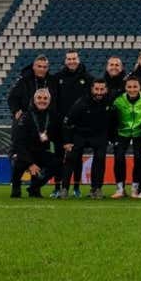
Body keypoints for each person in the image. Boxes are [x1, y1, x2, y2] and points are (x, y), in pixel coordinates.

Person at [62, 78, 113, 199]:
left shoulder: (110, 102)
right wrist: (67, 142)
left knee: (100, 158)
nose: (99, 92)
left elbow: (113, 122)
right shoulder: (81, 102)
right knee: (71, 158)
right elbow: (67, 123)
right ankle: (64, 188)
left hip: (99, 135)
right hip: (80, 134)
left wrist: (110, 137)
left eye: (102, 89)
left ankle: (96, 189)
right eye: (96, 89)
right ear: (92, 89)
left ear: (106, 90)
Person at [52, 50, 91, 197]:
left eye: (74, 58)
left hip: (78, 127)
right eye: (69, 59)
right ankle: (57, 187)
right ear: (65, 61)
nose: (71, 61)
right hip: (61, 126)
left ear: (78, 60)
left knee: (77, 158)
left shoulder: (88, 78)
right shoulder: (57, 78)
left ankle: (76, 188)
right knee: (58, 157)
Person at [9, 88, 61, 198]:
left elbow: (58, 137)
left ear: (49, 101)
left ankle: (34, 188)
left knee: (57, 164)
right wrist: (30, 164)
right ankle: (16, 187)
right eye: (39, 98)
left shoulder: (53, 116)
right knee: (18, 160)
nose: (42, 101)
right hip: (23, 151)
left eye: (45, 98)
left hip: (41, 151)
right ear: (34, 100)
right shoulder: (25, 117)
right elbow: (18, 143)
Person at [112, 77, 141, 199]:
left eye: (135, 87)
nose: (132, 90)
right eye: (129, 87)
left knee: (139, 159)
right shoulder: (118, 100)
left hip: (140, 133)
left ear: (140, 88)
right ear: (125, 88)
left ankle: (135, 188)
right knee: (119, 158)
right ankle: (120, 189)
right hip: (122, 133)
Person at [7, 55, 57, 120]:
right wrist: (16, 111)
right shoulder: (24, 81)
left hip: (48, 120)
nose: (42, 69)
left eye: (45, 67)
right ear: (33, 67)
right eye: (39, 66)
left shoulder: (52, 81)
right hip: (27, 119)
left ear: (48, 68)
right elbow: (12, 97)